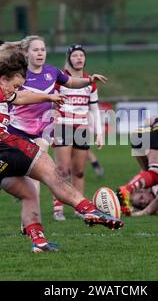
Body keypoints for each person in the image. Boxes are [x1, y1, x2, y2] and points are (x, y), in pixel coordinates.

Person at [0, 49, 123, 253]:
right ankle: (89, 210)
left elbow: (20, 97)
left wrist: (48, 97)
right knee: (50, 170)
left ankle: (38, 241)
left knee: (29, 193)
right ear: (3, 78)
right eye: (14, 85)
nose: (15, 90)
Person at [0, 36, 108, 228]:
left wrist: (89, 81)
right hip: (14, 131)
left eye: (43, 50)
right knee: (0, 176)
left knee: (34, 174)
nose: (40, 53)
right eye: (36, 50)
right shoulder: (19, 75)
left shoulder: (52, 72)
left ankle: (28, 223)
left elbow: (71, 82)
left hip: (40, 134)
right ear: (26, 53)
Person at [52, 44, 104, 221]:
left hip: (81, 129)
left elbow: (95, 110)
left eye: (82, 55)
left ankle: (79, 208)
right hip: (63, 126)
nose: (79, 58)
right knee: (62, 170)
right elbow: (51, 102)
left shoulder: (90, 83)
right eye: (75, 56)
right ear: (69, 59)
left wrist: (99, 133)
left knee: (79, 171)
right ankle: (58, 209)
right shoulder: (62, 79)